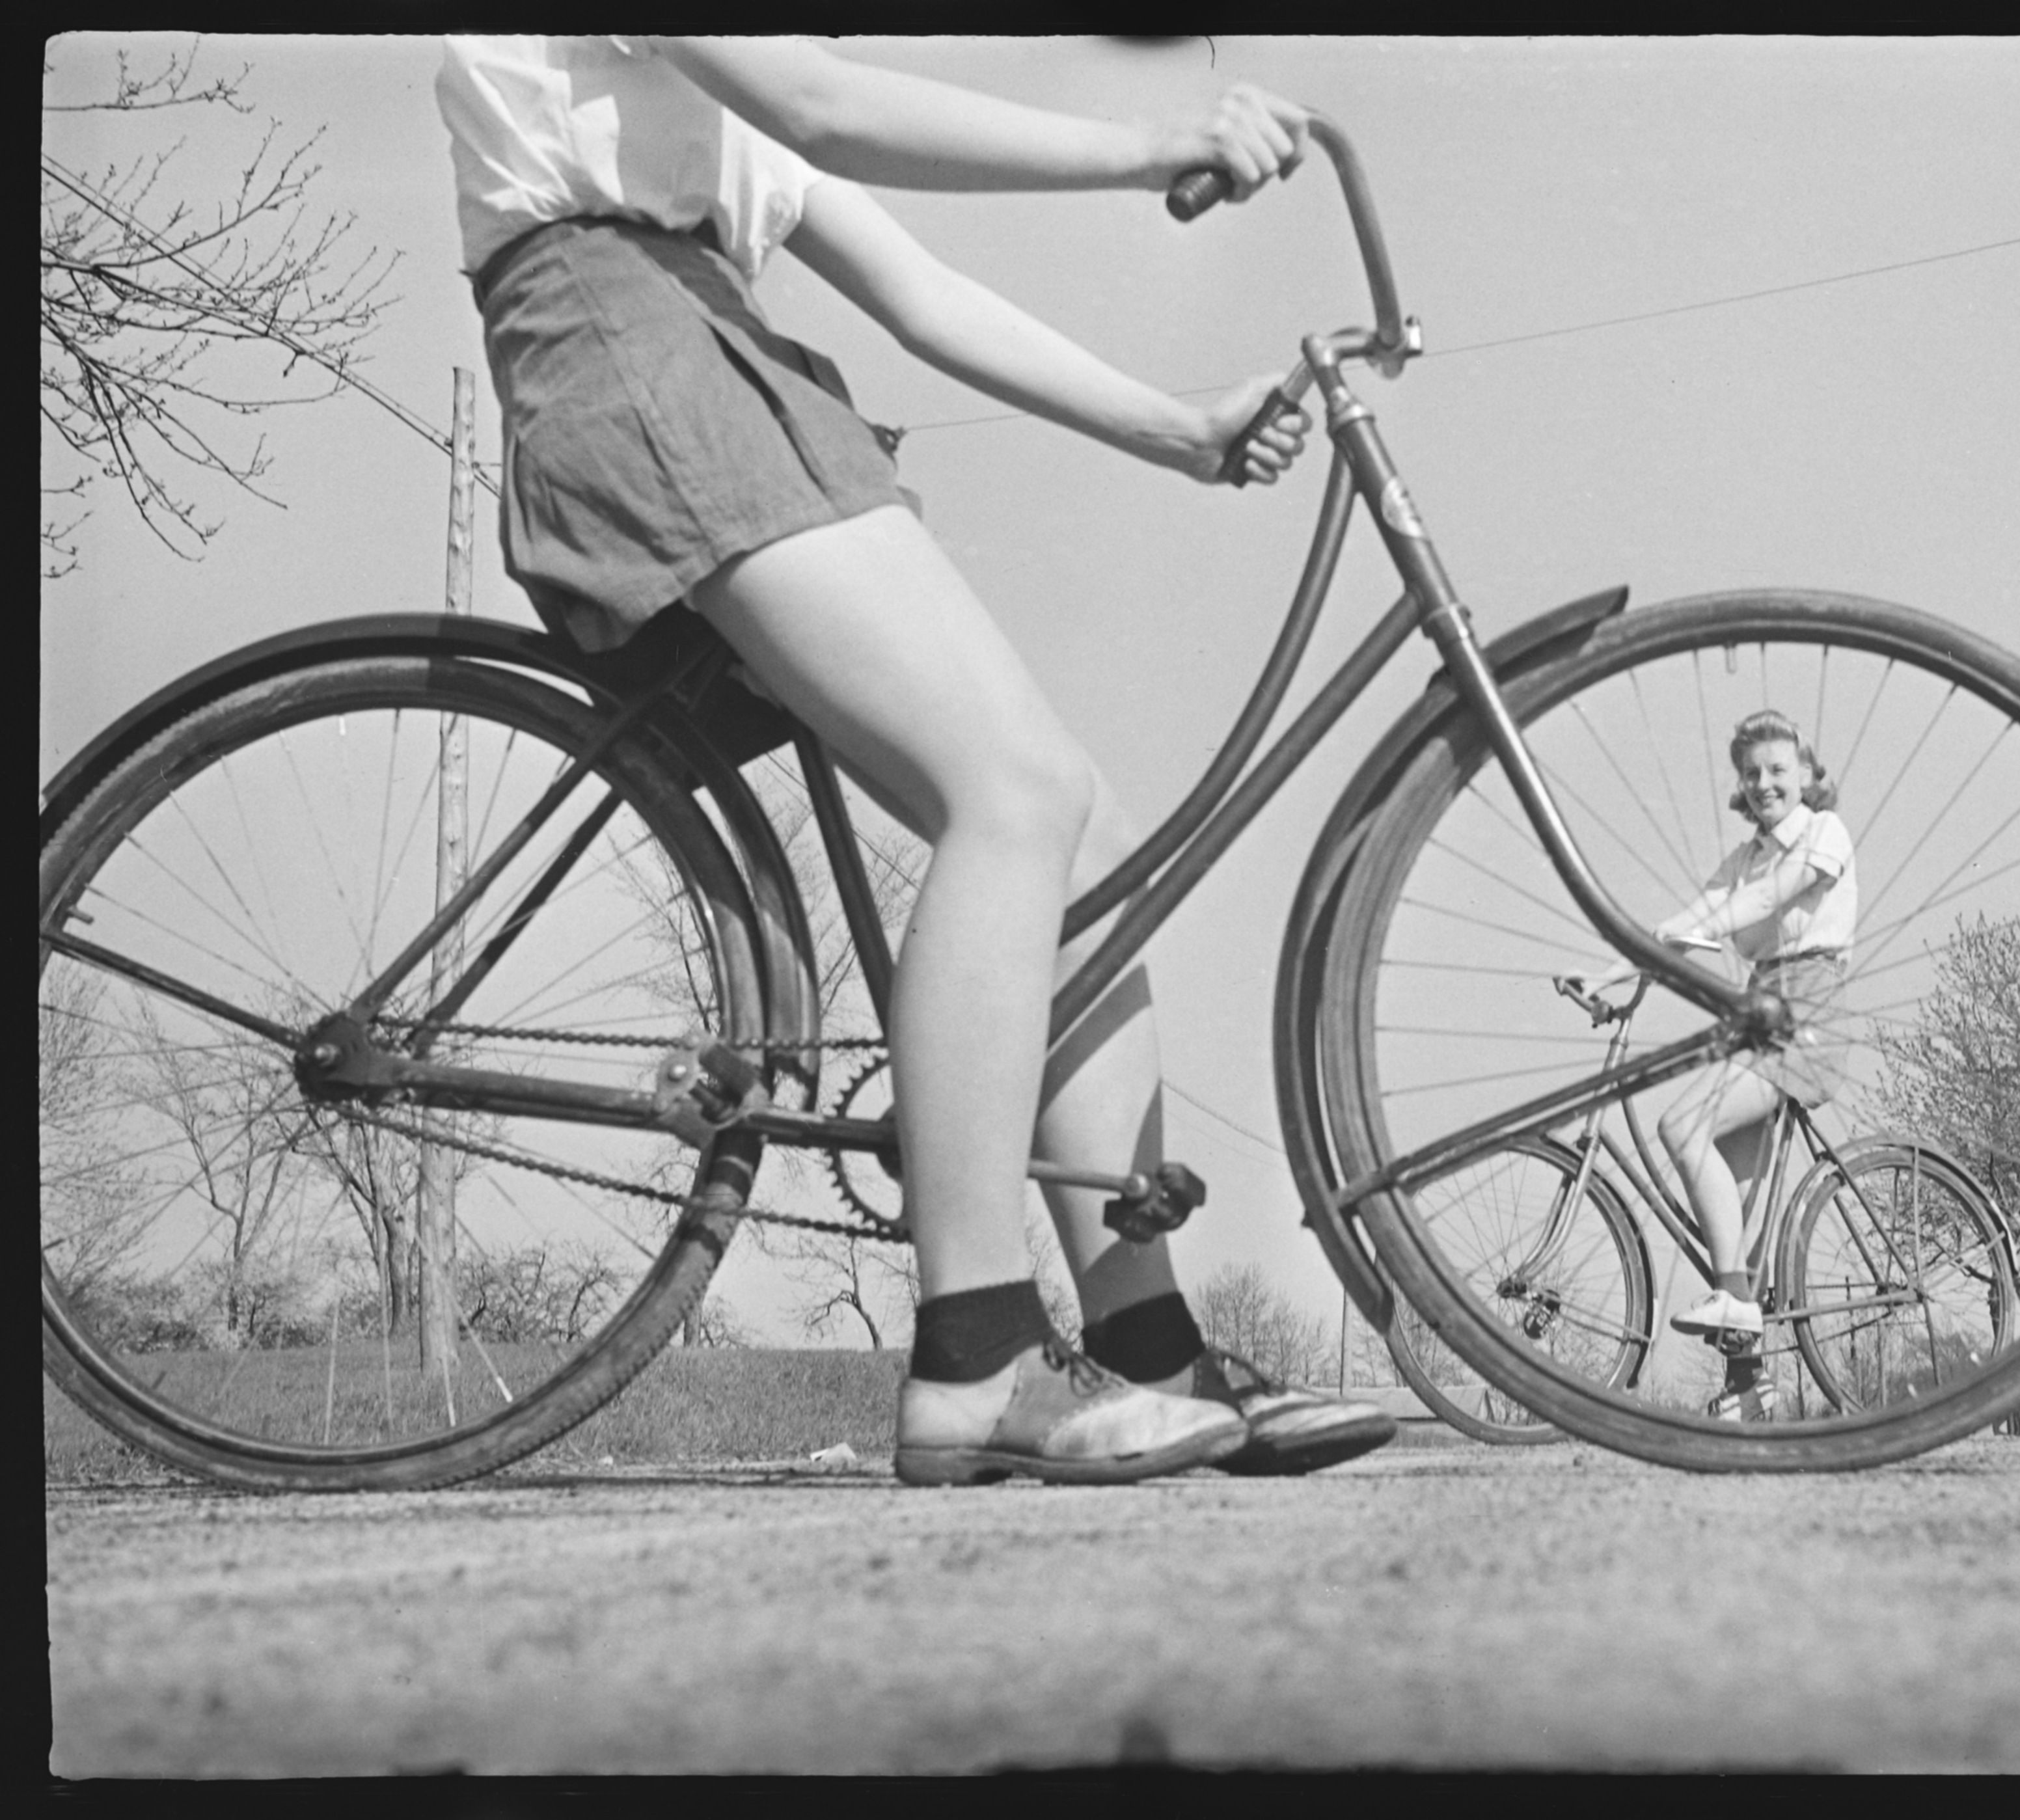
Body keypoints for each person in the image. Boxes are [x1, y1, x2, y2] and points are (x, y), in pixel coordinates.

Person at [437, 36, 1394, 1484]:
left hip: (703, 341)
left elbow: (921, 291)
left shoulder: (689, 123)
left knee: (1086, 841)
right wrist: (1151, 142)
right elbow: (833, 107)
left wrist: (1179, 428)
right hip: (627, 341)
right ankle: (972, 1354)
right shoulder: (693, 96)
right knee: (1010, 797)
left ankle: (1147, 1349)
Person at [1568, 710, 1857, 1420]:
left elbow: (1761, 901)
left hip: (1805, 1018)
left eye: (1778, 771)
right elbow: (1690, 921)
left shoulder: (1824, 833)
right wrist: (1612, 975)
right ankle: (1749, 1390)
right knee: (1733, 1230)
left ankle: (1737, 1313)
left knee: (1681, 1122)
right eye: (1751, 773)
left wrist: (1710, 920)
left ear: (1808, 776)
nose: (1764, 784)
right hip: (1757, 1014)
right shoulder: (1747, 855)